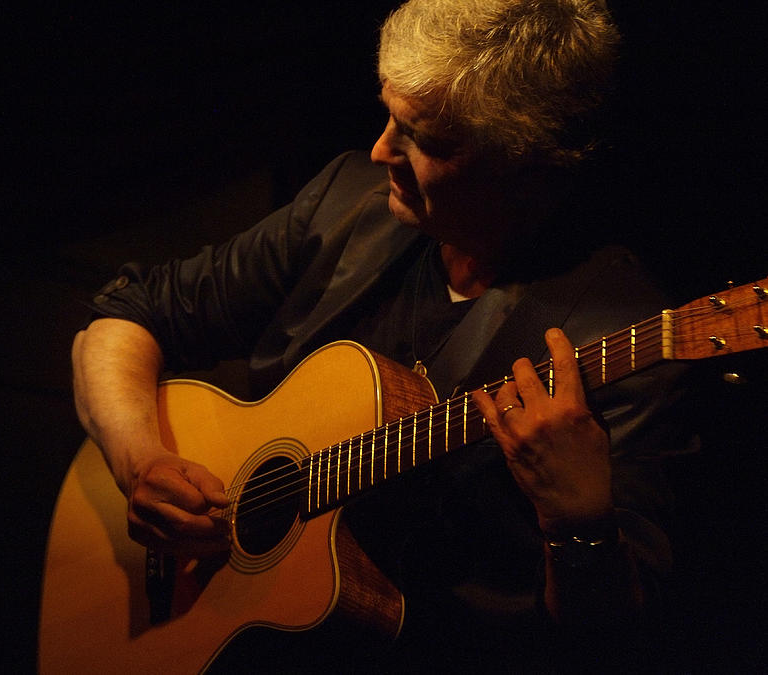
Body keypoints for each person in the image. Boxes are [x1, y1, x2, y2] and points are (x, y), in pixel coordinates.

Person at [71, 0, 691, 669]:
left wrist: (578, 520)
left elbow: (610, 640)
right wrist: (141, 461)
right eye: (390, 116)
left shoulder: (625, 337)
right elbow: (123, 318)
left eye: (422, 139)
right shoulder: (348, 204)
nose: (379, 150)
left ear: (527, 170)